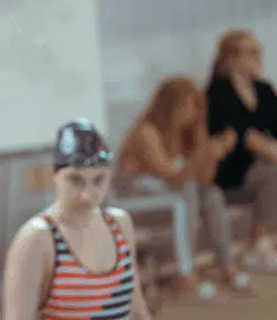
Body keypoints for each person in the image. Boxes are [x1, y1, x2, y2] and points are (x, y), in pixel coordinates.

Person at [113, 76, 249, 299]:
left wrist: (211, 152)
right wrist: (203, 154)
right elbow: (171, 175)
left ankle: (227, 266)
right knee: (188, 191)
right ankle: (186, 273)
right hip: (135, 198)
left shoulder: (186, 133)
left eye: (195, 107)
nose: (191, 114)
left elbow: (205, 178)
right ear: (168, 107)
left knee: (211, 194)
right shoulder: (147, 131)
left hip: (168, 195)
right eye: (185, 107)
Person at [3, 119, 152, 320]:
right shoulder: (36, 240)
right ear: (55, 176)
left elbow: (137, 308)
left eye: (99, 180)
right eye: (75, 180)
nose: (87, 195)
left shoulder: (119, 224)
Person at [206, 29, 277, 271]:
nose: (258, 57)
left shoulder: (264, 89)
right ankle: (258, 244)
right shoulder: (218, 92)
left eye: (258, 51)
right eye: (251, 52)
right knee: (273, 173)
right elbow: (243, 137)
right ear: (232, 58)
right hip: (230, 173)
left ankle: (261, 244)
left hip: (262, 164)